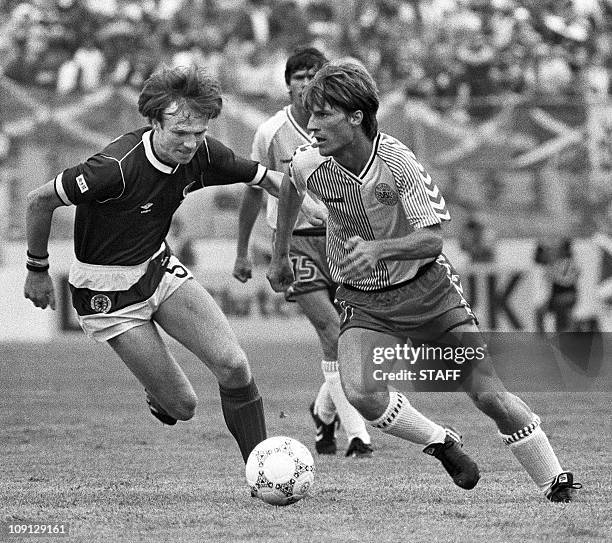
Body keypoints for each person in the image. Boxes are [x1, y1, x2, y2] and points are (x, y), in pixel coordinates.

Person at [267, 61, 581, 502]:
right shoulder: (308, 162)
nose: (311, 124)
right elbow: (289, 192)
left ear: (356, 117)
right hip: (364, 298)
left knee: (488, 395)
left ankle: (556, 481)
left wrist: (377, 249)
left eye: (322, 114)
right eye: (310, 113)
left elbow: (433, 239)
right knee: (361, 394)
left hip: (428, 289)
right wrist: (280, 254)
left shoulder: (398, 163)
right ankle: (441, 441)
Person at [23, 65, 323, 465]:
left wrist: (312, 203)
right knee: (183, 407)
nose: (189, 144)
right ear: (153, 122)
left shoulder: (204, 154)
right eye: (179, 133)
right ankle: (160, 392)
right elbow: (39, 200)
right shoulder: (113, 168)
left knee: (234, 366)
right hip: (106, 293)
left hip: (158, 267)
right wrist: (37, 268)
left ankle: (261, 468)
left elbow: (269, 178)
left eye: (198, 133)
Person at [233, 47, 373, 457]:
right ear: (288, 83)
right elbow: (255, 191)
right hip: (295, 241)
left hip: (342, 238)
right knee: (333, 332)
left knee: (356, 335)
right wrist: (244, 252)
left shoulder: (345, 127)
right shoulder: (271, 132)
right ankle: (359, 434)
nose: (307, 83)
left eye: (316, 75)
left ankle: (322, 408)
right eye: (299, 76)